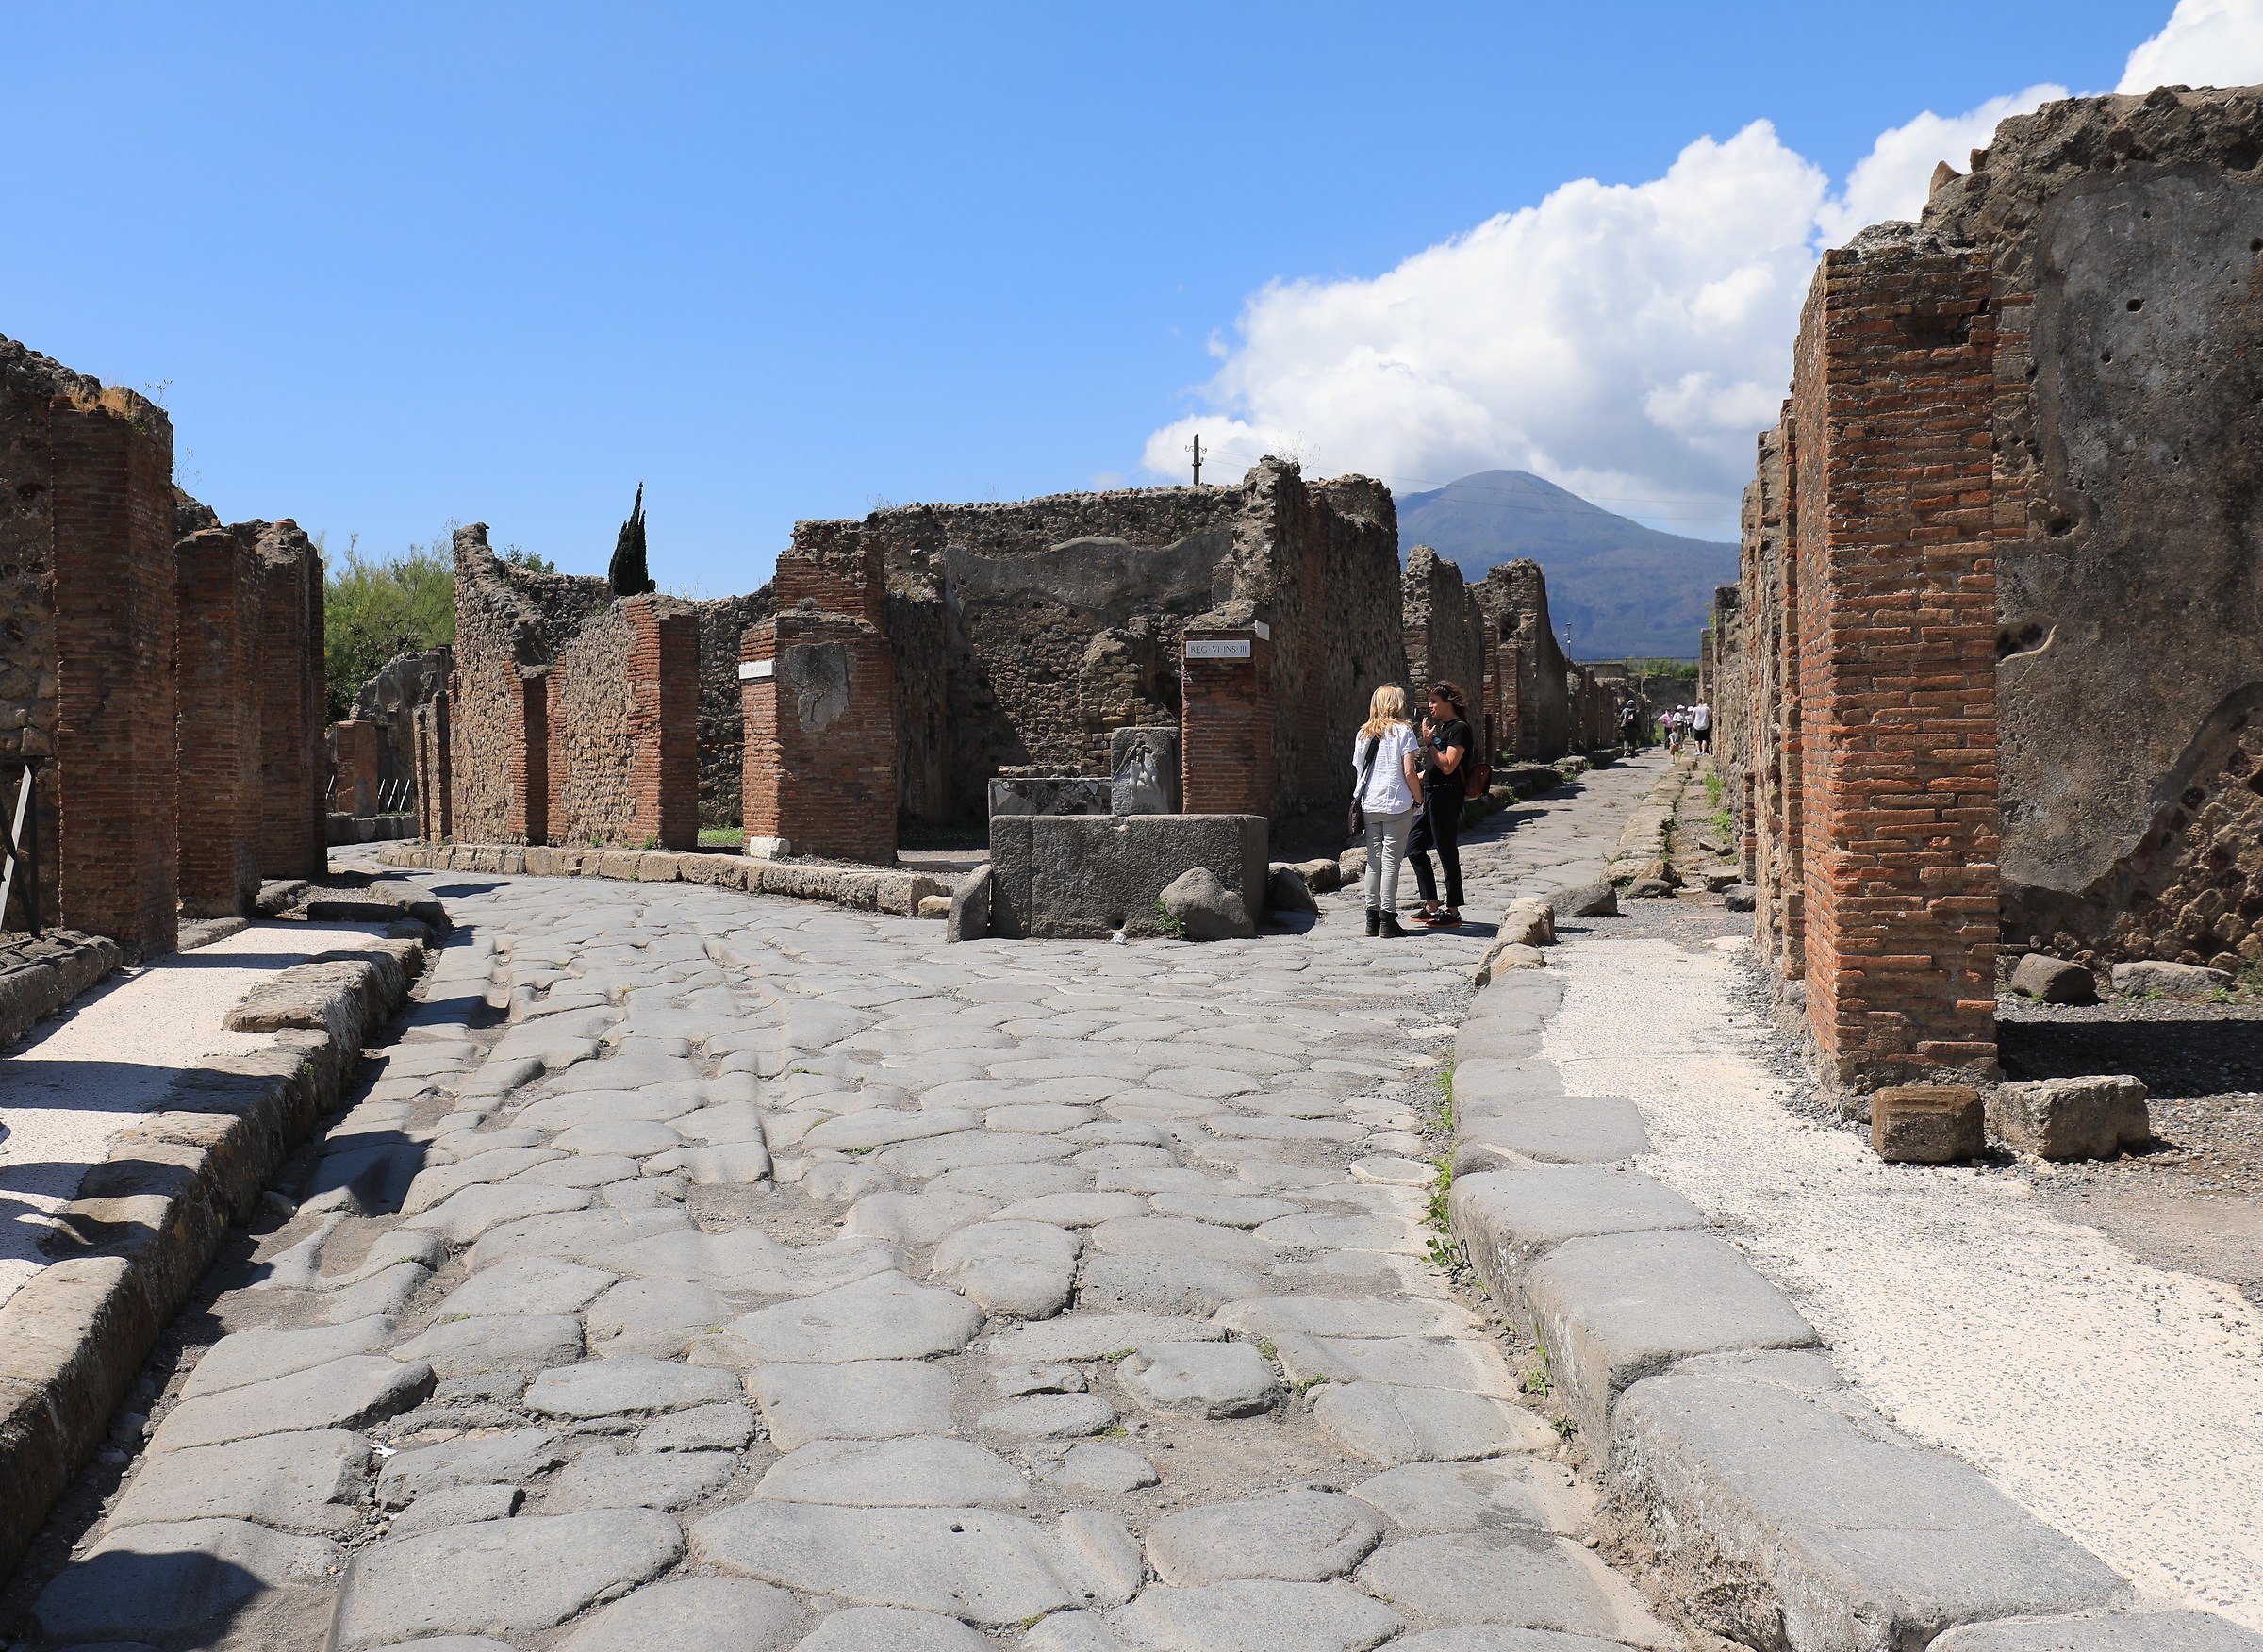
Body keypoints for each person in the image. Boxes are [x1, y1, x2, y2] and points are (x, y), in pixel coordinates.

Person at [1351, 685, 1422, 938]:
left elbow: (1359, 771)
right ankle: (1388, 920)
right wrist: (1418, 798)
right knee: (1391, 862)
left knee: (1374, 860)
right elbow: (1409, 772)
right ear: (1396, 704)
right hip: (1396, 803)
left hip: (1370, 804)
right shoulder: (1404, 731)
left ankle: (1371, 919)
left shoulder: (1363, 734)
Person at [1408, 680, 1473, 928]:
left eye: (1434, 701)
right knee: (1414, 846)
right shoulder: (1442, 729)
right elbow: (1433, 770)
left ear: (1449, 702)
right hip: (1432, 795)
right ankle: (1431, 904)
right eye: (1429, 701)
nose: (1430, 706)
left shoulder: (1460, 730)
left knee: (1446, 850)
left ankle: (1453, 910)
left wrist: (1430, 743)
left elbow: (1447, 766)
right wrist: (1409, 779)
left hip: (1448, 795)